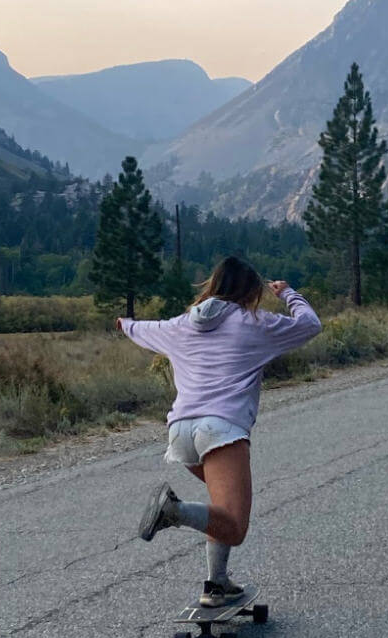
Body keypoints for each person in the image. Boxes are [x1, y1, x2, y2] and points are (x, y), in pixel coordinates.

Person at [116, 256, 321, 606]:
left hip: (180, 433)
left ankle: (217, 583)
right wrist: (289, 293)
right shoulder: (256, 323)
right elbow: (309, 324)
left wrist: (126, 324)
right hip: (220, 431)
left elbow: (141, 329)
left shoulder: (181, 325)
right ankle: (173, 512)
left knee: (219, 508)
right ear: (249, 291)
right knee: (235, 526)